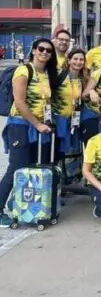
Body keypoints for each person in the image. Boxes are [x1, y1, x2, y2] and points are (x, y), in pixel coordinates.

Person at [0, 37, 59, 227]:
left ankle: (16, 202)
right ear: (33, 51)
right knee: (16, 167)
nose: (44, 53)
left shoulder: (46, 74)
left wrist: (47, 120)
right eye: (41, 49)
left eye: (49, 51)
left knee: (31, 166)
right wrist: (37, 124)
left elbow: (44, 101)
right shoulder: (24, 70)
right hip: (20, 125)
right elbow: (20, 102)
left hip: (37, 126)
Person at [52, 48, 86, 162]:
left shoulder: (81, 79)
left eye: (81, 59)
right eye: (75, 59)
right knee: (55, 151)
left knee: (67, 151)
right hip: (57, 119)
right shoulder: (59, 74)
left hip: (71, 120)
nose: (78, 62)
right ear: (69, 60)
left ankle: (66, 176)